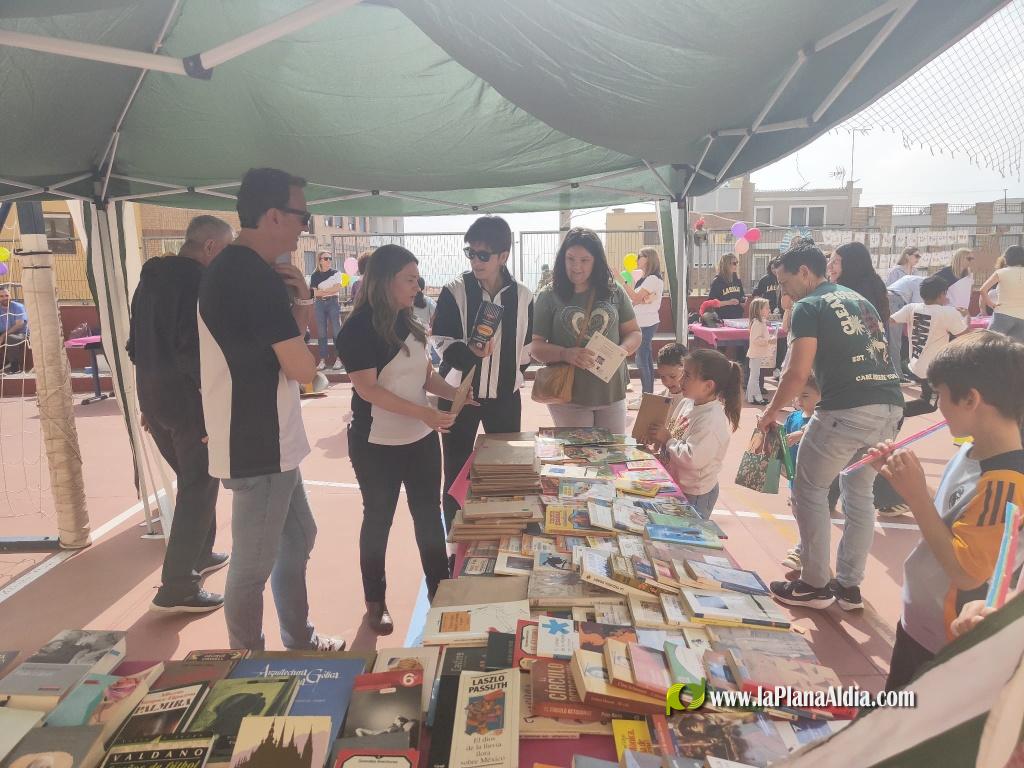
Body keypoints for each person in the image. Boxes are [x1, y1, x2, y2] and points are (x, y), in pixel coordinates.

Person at [198, 167, 344, 652]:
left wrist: (299, 301)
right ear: (275, 215)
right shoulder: (249, 276)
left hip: (268, 438)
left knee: (298, 537)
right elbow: (303, 368)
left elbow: (280, 354)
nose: (306, 225)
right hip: (258, 443)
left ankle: (298, 638)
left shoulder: (242, 270)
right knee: (251, 566)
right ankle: (246, 660)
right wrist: (302, 305)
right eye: (303, 215)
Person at [871, 331, 1024, 690]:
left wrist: (915, 498)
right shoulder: (972, 449)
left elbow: (968, 574)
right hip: (919, 623)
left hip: (947, 638)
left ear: (971, 398)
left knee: (906, 732)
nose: (937, 404)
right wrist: (901, 479)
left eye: (939, 395)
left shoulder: (1007, 482)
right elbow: (950, 522)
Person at [757, 241, 903, 611]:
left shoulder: (808, 306)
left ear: (804, 272)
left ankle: (813, 583)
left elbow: (797, 372)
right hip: (888, 408)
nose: (782, 290)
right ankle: (848, 587)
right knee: (859, 495)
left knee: (809, 490)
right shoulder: (858, 299)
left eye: (784, 280)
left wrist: (771, 412)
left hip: (846, 409)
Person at [337, 245, 464, 634]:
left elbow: (425, 376)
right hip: (377, 445)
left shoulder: (411, 321)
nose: (417, 285)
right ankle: (375, 602)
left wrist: (456, 393)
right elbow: (369, 390)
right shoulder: (357, 330)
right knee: (378, 521)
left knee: (428, 517)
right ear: (385, 280)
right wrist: (426, 412)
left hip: (421, 440)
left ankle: (438, 592)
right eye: (409, 278)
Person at [127, 215, 233, 614]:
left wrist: (147, 402)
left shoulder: (149, 282)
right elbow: (193, 352)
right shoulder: (197, 284)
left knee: (195, 480)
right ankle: (178, 585)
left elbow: (134, 344)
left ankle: (199, 555)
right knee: (199, 483)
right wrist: (210, 410)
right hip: (187, 401)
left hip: (155, 397)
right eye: (226, 248)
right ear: (210, 247)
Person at [431, 216, 533, 531]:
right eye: (470, 253)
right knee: (456, 473)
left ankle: (501, 537)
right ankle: (455, 540)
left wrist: (509, 377)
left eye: (483, 254)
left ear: (504, 255)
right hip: (460, 398)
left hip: (504, 399)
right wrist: (469, 355)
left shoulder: (525, 296)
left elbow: (526, 348)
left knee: (506, 472)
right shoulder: (454, 291)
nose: (475, 260)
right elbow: (440, 342)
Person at [531, 227, 642, 433]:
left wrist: (621, 351)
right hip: (568, 395)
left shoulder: (614, 291)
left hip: (612, 392)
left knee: (613, 456)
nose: (576, 267)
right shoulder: (548, 295)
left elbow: (634, 332)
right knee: (579, 460)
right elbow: (535, 347)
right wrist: (565, 354)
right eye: (570, 259)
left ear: (596, 261)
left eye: (585, 260)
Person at [648, 345, 741, 520]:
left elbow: (692, 459)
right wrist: (662, 444)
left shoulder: (711, 420)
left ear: (708, 386)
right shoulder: (687, 403)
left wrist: (667, 440)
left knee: (689, 536)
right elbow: (675, 432)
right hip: (679, 484)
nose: (681, 380)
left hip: (696, 494)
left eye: (688, 375)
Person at [890, 275, 968, 417]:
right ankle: (893, 413)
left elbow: (891, 320)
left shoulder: (912, 308)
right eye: (946, 293)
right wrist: (966, 316)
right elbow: (966, 336)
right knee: (929, 405)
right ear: (941, 294)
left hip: (916, 365)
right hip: (931, 371)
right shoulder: (948, 313)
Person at [780, 374, 821, 572]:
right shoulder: (793, 417)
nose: (799, 400)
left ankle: (803, 550)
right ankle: (805, 546)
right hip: (794, 475)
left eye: (805, 395)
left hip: (814, 476)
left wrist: (800, 434)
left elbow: (815, 432)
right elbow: (785, 440)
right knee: (797, 510)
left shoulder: (821, 420)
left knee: (809, 513)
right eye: (798, 396)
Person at [618, 247, 664, 395]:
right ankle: (648, 394)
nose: (637, 259)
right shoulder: (647, 279)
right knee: (645, 358)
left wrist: (621, 280)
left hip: (646, 323)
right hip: (644, 322)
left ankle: (647, 395)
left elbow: (635, 298)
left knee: (641, 359)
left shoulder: (652, 279)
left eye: (640, 256)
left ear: (648, 259)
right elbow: (638, 299)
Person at [979, 244, 1024, 342]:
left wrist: (991, 305)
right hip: (1022, 317)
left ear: (1007, 258)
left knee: (988, 344)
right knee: (1017, 350)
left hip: (1003, 315)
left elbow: (982, 290)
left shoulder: (1001, 272)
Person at [887, 272, 926, 378]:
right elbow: (917, 309)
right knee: (895, 342)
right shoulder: (922, 284)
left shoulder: (914, 278)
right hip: (895, 301)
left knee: (889, 339)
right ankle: (897, 375)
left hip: (887, 297)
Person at [310, 250, 343, 371]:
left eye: (330, 258)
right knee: (321, 332)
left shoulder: (336, 273)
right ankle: (322, 360)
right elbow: (313, 292)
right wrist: (329, 290)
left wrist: (322, 291)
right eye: (326, 258)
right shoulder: (315, 275)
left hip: (333, 302)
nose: (329, 260)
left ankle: (339, 359)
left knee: (336, 331)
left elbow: (337, 288)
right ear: (320, 260)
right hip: (319, 304)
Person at [745, 297, 775, 405]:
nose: (769, 310)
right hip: (755, 353)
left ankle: (752, 397)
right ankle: (755, 397)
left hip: (756, 353)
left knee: (754, 376)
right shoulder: (758, 323)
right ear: (759, 310)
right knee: (755, 377)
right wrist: (768, 340)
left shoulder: (759, 322)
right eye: (767, 308)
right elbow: (756, 339)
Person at [708, 253, 745, 320]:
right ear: (726, 265)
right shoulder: (717, 281)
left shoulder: (737, 280)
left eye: (737, 262)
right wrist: (728, 302)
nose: (736, 265)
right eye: (734, 263)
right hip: (723, 318)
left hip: (738, 317)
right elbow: (711, 303)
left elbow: (742, 296)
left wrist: (743, 301)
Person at [0, 287, 28, 374]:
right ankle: (3, 364)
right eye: (1, 296)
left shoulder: (18, 307)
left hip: (21, 333)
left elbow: (19, 324)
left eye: (7, 295)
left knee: (10, 338)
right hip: (4, 333)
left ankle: (15, 367)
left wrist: (3, 335)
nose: (5, 298)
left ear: (10, 295)